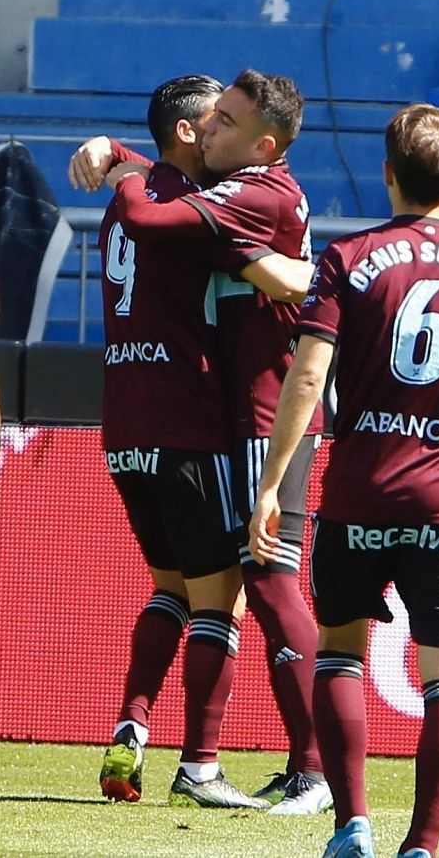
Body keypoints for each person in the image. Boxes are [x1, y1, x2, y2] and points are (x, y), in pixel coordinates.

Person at [249, 104, 439, 858]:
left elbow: (307, 375)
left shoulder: (347, 259)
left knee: (339, 652)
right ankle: (421, 844)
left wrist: (271, 479)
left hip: (360, 488)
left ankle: (350, 823)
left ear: (388, 173)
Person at [93, 68, 332, 812]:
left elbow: (162, 215)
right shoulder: (209, 197)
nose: (213, 129)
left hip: (258, 411)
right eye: (210, 118)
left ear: (260, 141)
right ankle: (209, 762)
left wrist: (124, 166)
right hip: (203, 418)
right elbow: (248, 255)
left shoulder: (251, 192)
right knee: (220, 593)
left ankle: (311, 767)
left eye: (228, 119)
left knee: (255, 579)